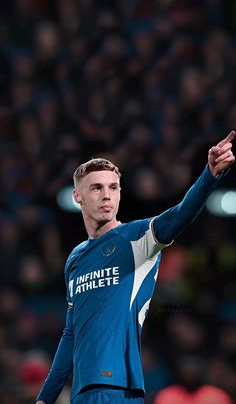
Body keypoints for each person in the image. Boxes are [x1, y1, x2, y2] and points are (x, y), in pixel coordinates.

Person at [36, 131, 235, 404]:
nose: (107, 195)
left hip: (119, 389)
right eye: (96, 187)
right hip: (81, 393)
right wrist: (45, 397)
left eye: (113, 187)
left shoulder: (137, 239)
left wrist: (209, 176)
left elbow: (180, 215)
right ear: (77, 196)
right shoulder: (75, 259)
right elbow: (70, 333)